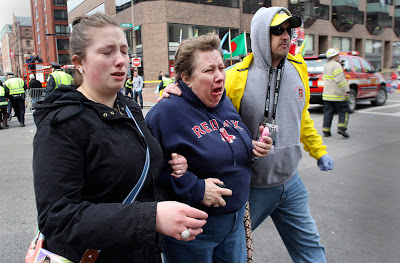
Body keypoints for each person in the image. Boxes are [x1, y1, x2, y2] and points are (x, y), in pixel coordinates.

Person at [160, 7, 334, 263]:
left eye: (288, 30)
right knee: (233, 244)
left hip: (291, 181)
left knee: (310, 247)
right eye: (277, 31)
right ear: (262, 35)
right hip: (252, 186)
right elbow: (207, 106)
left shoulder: (300, 69)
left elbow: (302, 117)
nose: (285, 36)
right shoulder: (234, 76)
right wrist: (176, 90)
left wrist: (319, 151)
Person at [32, 13, 208, 263]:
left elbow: (140, 171)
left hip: (144, 252)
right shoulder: (60, 124)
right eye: (107, 52)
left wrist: (173, 165)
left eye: (124, 51)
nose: (121, 61)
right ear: (79, 62)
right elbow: (58, 218)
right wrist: (152, 217)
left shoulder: (129, 108)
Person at [146, 33, 271, 263]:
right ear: (185, 78)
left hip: (235, 224)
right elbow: (150, 175)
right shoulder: (165, 114)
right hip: (195, 231)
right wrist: (195, 187)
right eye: (208, 71)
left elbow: (224, 144)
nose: (220, 77)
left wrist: (249, 148)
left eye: (221, 68)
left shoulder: (224, 102)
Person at [322, 47, 350, 138]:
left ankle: (326, 131)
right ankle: (341, 128)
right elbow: (340, 79)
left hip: (327, 95)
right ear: (335, 56)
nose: (339, 56)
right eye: (338, 55)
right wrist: (346, 90)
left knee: (328, 113)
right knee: (343, 111)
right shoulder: (337, 65)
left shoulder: (326, 65)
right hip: (337, 94)